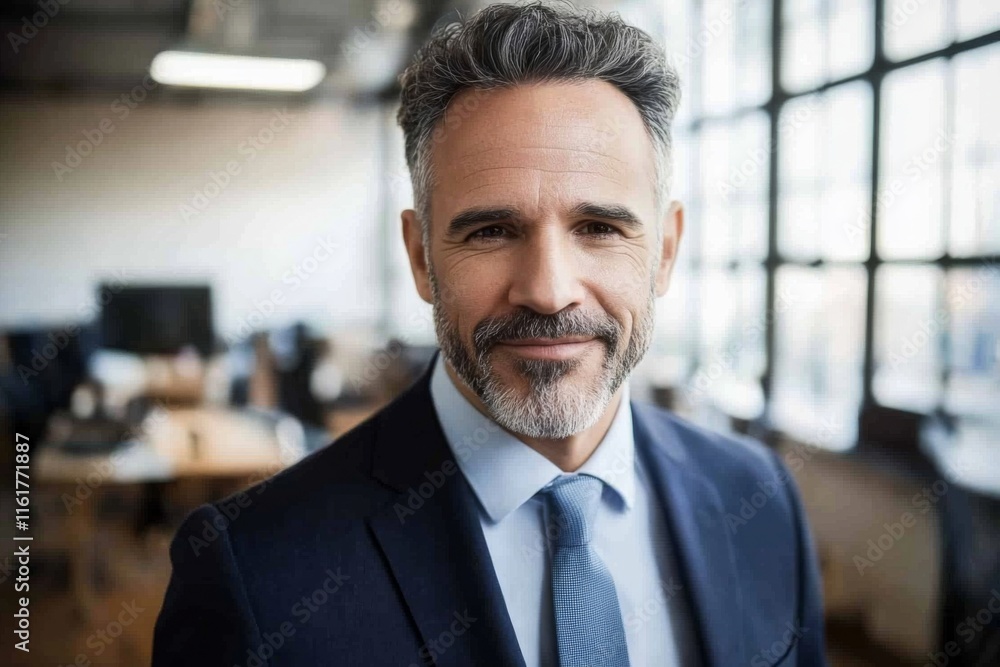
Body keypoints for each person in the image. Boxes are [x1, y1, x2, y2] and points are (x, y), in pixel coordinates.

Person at [152, 3, 827, 665]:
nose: (548, 289)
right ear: (420, 256)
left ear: (666, 252)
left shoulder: (758, 496)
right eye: (492, 230)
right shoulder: (255, 573)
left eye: (599, 228)